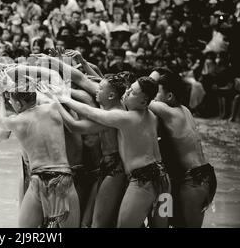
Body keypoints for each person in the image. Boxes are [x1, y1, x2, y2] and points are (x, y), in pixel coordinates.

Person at [54, 76, 170, 228]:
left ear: (143, 101)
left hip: (143, 182)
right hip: (164, 182)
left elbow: (89, 112)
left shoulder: (126, 118)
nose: (127, 93)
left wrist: (60, 99)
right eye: (129, 88)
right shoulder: (152, 116)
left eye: (132, 92)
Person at [0, 69, 80, 228]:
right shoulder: (53, 108)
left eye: (12, 102)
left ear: (18, 104)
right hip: (63, 178)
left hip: (37, 180)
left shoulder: (17, 121)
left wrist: (1, 99)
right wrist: (14, 87)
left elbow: (1, 123)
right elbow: (36, 95)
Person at [149, 73, 216, 227]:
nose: (154, 96)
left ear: (170, 96)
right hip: (205, 175)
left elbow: (141, 98)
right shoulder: (185, 110)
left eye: (157, 92)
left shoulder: (167, 111)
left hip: (194, 179)